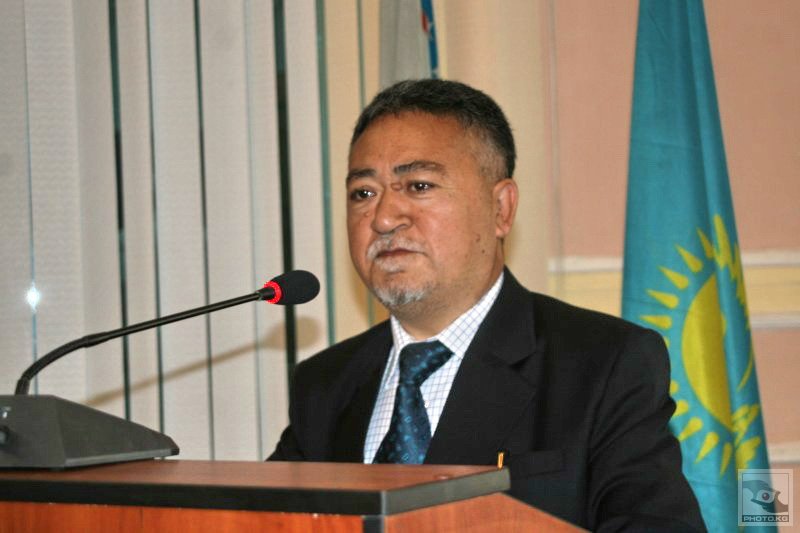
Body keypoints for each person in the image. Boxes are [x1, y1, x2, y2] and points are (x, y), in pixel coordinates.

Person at [269, 79, 705, 531]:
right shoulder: (325, 385)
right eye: (363, 193)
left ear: (501, 209)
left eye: (418, 185)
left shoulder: (604, 364)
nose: (382, 217)